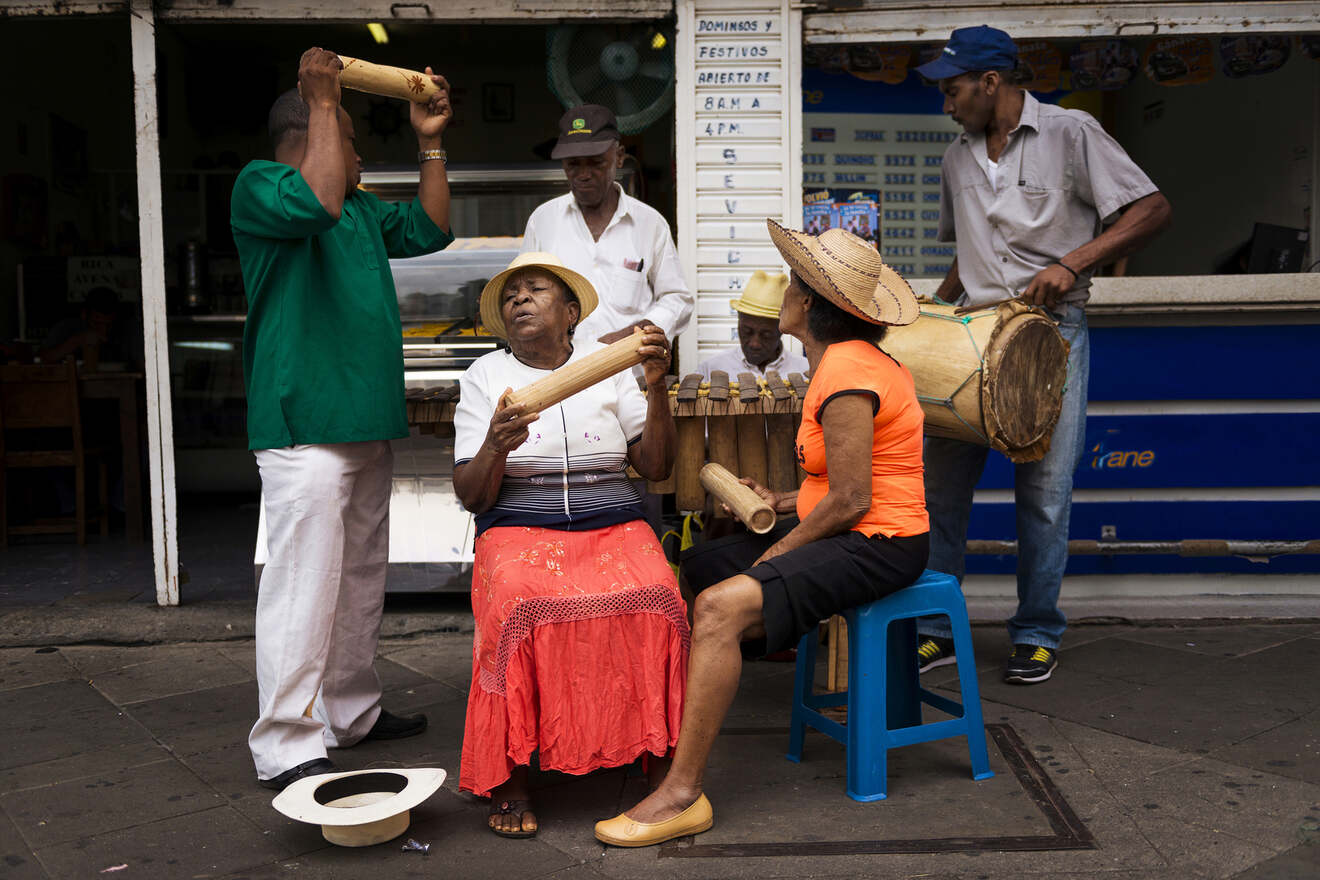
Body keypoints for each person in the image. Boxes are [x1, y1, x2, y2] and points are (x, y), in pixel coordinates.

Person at [595, 222, 928, 847]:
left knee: (721, 606)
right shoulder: (837, 361)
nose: (784, 293)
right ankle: (653, 740)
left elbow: (855, 500)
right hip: (848, 529)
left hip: (884, 543)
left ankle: (681, 792)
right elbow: (840, 484)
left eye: (792, 285)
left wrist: (775, 555)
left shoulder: (849, 371)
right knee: (682, 571)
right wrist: (779, 501)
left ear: (807, 305)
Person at [913, 26, 1172, 685]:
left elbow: (1152, 208)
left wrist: (1075, 261)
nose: (947, 104)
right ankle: (936, 630)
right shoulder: (956, 159)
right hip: (968, 339)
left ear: (992, 82)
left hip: (1050, 338)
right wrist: (931, 314)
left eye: (953, 90)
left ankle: (1036, 632)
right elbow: (966, 257)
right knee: (940, 489)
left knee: (1045, 493)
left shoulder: (1071, 132)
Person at [231, 48, 455, 790]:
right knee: (303, 585)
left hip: (364, 421)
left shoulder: (359, 206)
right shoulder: (261, 185)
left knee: (358, 578)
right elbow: (317, 201)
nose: (359, 153)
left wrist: (431, 140)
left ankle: (349, 711)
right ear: (309, 130)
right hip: (303, 426)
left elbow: (431, 229)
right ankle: (287, 744)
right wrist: (328, 100)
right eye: (353, 139)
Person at [452, 251, 686, 838]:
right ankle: (510, 775)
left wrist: (657, 390)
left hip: (612, 521)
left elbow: (655, 466)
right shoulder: (484, 376)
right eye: (510, 296)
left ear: (573, 312)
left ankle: (656, 751)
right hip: (518, 527)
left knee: (659, 594)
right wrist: (496, 446)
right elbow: (473, 496)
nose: (519, 300)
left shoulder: (609, 366)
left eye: (535, 290)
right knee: (515, 603)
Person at [520, 104, 692, 347]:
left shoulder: (649, 223)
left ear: (619, 156)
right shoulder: (543, 221)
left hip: (632, 377)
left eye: (595, 162)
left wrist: (632, 335)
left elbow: (677, 299)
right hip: (560, 376)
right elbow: (524, 297)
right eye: (573, 164)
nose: (583, 174)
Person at [696, 271, 808, 382]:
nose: (755, 344)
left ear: (781, 330)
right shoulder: (708, 371)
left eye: (766, 335)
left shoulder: (805, 372)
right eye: (747, 331)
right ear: (738, 323)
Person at [39, 287, 141, 369]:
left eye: (108, 324)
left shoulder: (126, 329)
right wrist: (77, 341)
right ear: (84, 315)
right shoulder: (67, 327)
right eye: (97, 323)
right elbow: (43, 358)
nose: (103, 330)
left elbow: (143, 364)